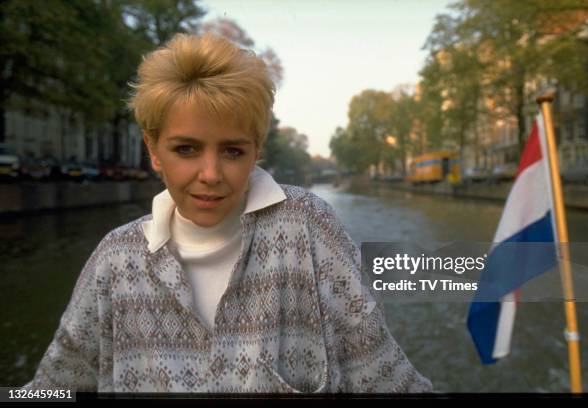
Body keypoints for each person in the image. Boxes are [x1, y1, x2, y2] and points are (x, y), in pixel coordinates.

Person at [23, 33, 432, 393]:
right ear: (153, 150)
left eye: (233, 151)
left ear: (257, 150)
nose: (210, 175)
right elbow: (54, 388)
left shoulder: (310, 229)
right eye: (186, 149)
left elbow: (383, 375)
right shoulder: (116, 261)